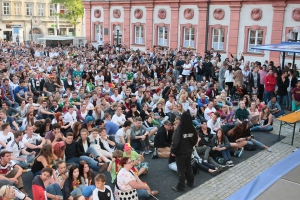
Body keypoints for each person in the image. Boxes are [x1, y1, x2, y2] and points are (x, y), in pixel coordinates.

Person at [170, 111, 198, 191]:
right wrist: (191, 145)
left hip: (180, 152)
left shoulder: (180, 129)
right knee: (189, 168)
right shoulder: (192, 128)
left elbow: (176, 141)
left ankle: (180, 186)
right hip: (188, 151)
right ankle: (190, 182)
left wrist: (173, 151)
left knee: (181, 170)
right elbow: (195, 139)